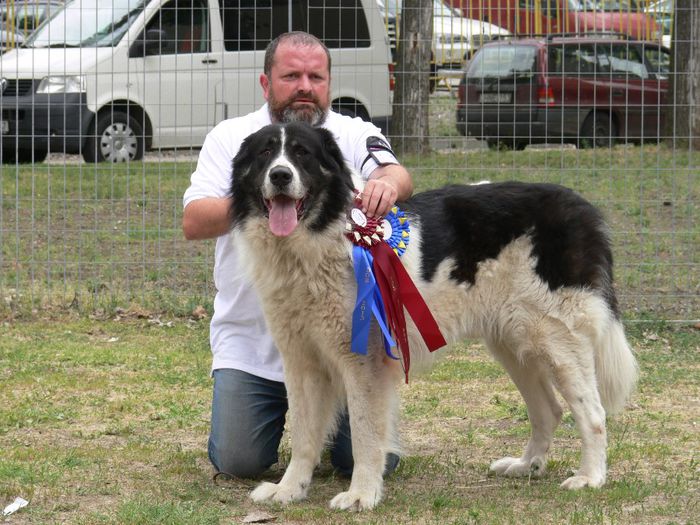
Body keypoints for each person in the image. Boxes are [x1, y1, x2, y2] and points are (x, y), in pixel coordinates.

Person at [182, 31, 413, 479]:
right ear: (266, 84)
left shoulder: (350, 133)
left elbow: (393, 170)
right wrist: (267, 192)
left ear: (328, 83)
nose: (305, 85)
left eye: (315, 76)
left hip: (339, 337)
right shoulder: (232, 137)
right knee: (238, 462)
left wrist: (389, 185)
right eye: (291, 75)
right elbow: (194, 220)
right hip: (251, 344)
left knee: (358, 460)